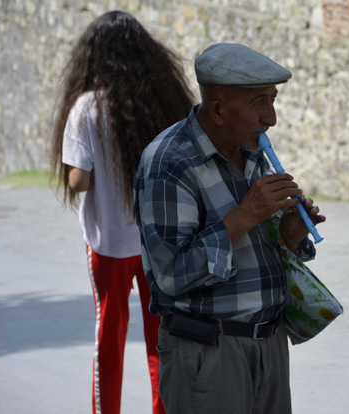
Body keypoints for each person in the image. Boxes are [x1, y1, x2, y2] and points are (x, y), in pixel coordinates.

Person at [134, 42, 326, 414]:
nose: (271, 117)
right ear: (219, 110)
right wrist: (244, 215)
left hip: (268, 345)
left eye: (273, 99)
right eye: (259, 102)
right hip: (210, 353)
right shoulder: (169, 162)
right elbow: (170, 274)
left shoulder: (250, 151)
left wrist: (286, 235)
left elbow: (249, 247)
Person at [50, 10, 195, 414]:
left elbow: (78, 181)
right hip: (159, 243)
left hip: (109, 243)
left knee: (109, 338)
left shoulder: (86, 107)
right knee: (161, 340)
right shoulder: (161, 96)